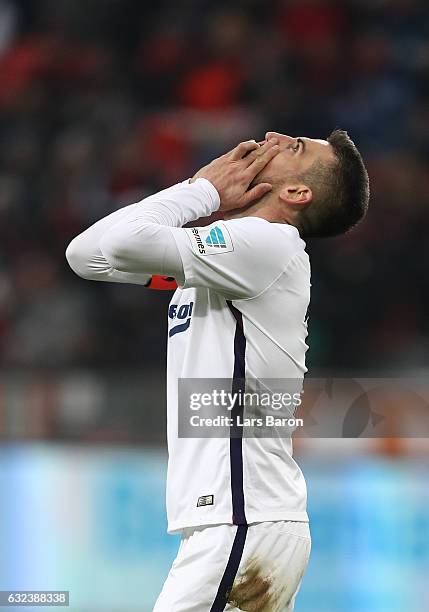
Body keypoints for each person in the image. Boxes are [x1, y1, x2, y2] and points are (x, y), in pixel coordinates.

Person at [66, 130, 369, 611]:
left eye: (293, 147)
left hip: (241, 520)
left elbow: (123, 244)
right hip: (246, 521)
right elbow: (86, 254)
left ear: (296, 193)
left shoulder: (263, 242)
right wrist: (197, 188)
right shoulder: (231, 256)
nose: (273, 136)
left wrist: (203, 190)